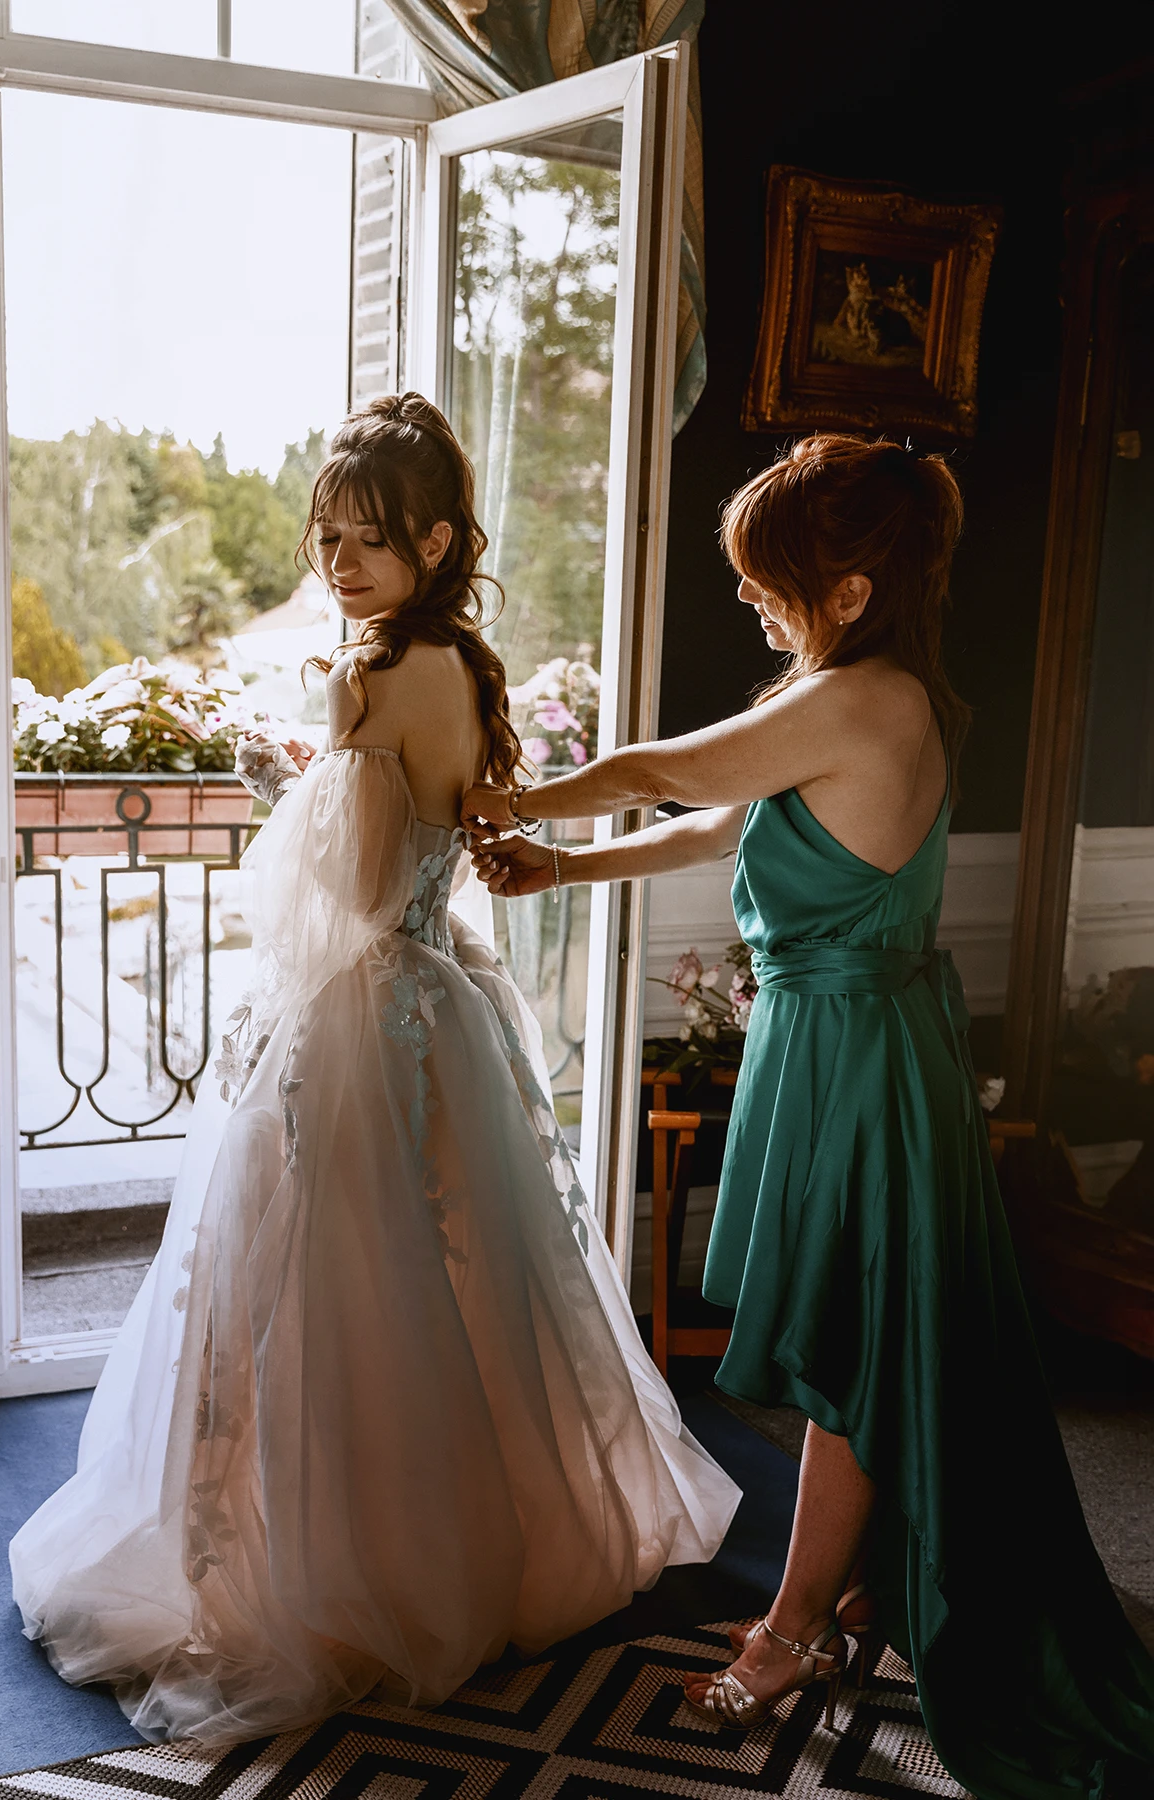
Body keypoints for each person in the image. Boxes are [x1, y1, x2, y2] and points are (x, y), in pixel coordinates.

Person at [9, 393, 741, 1746]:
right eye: (326, 535)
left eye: (368, 539)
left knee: (325, 1286)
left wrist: (317, 773)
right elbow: (435, 848)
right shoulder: (467, 665)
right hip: (434, 1001)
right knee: (447, 1287)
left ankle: (339, 1569)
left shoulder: (371, 675)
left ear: (439, 540)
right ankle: (483, 1535)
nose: (338, 560)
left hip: (359, 1009)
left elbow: (336, 897)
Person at [467, 434, 1154, 1799]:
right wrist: (556, 866)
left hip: (858, 1055)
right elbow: (709, 825)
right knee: (852, 1339)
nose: (749, 601)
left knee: (849, 1349)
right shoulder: (843, 692)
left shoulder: (873, 700)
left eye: (766, 578)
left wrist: (505, 793)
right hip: (835, 1039)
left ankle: (792, 1632)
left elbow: (673, 766)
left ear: (847, 587)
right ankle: (831, 1604)